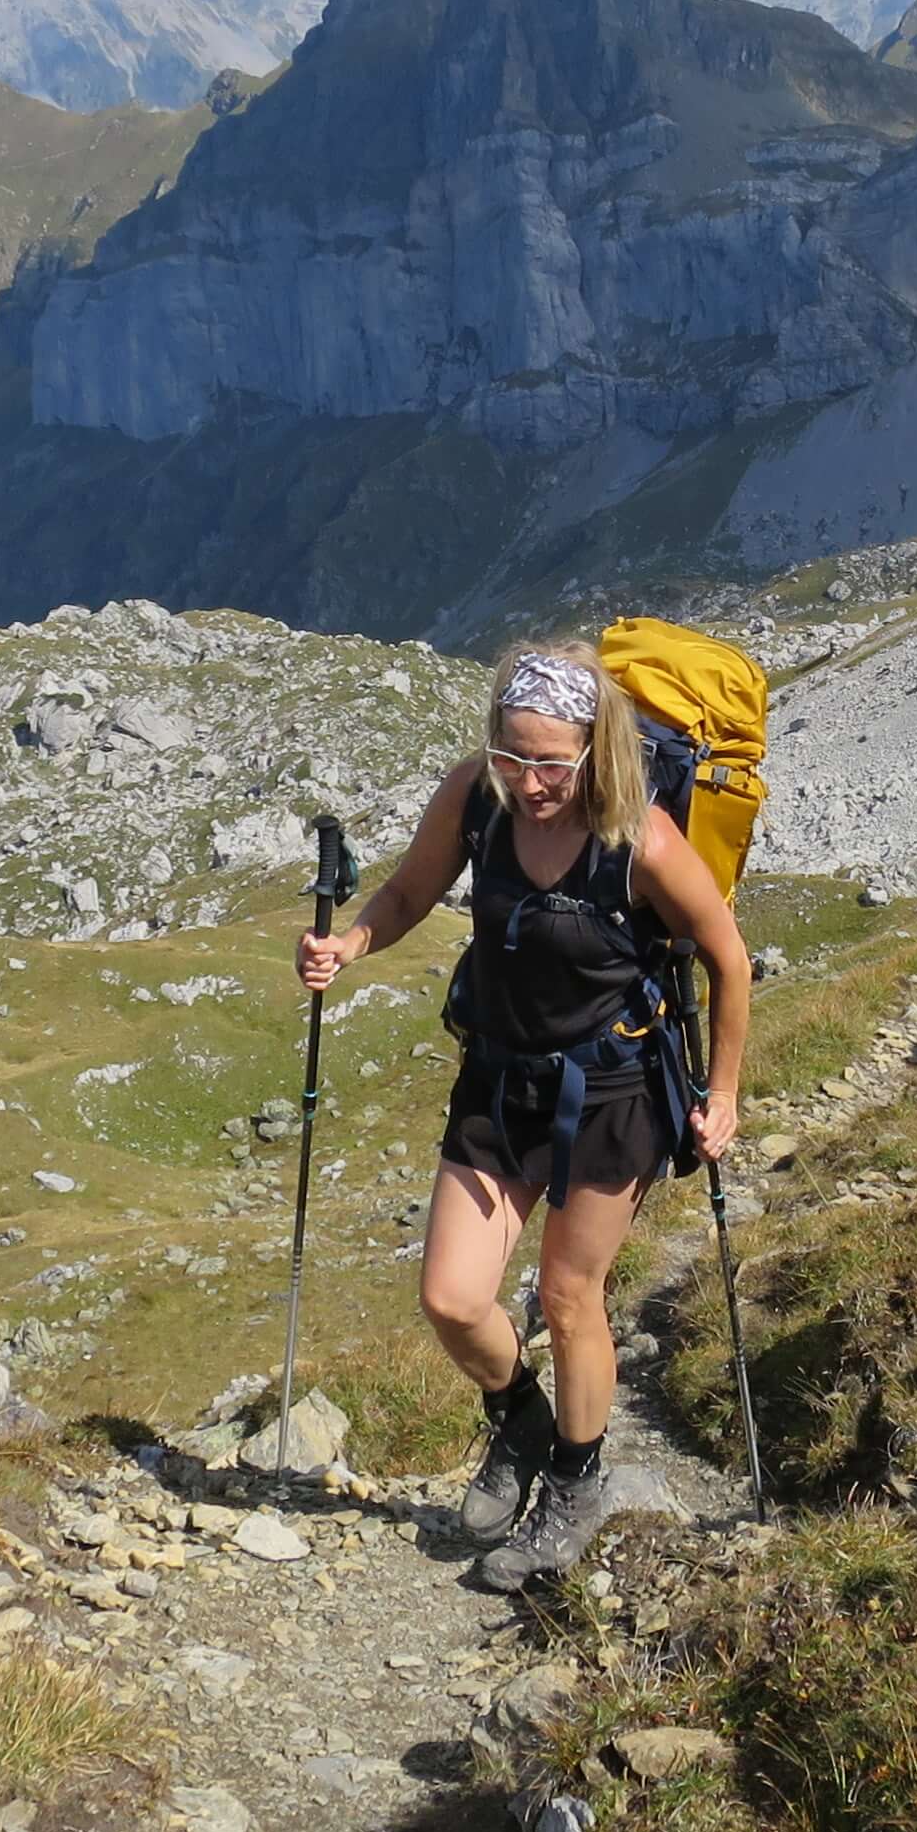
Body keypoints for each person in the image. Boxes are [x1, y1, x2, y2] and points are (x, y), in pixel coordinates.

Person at [296, 639, 749, 1589]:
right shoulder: (476, 798)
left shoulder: (644, 839)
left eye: (552, 761)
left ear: (595, 751)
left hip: (615, 1089)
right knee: (453, 1299)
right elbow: (412, 890)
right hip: (501, 1082)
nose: (530, 781)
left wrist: (726, 1093)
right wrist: (353, 945)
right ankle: (523, 1421)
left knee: (570, 1297)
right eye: (513, 755)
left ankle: (577, 1485)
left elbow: (727, 958)